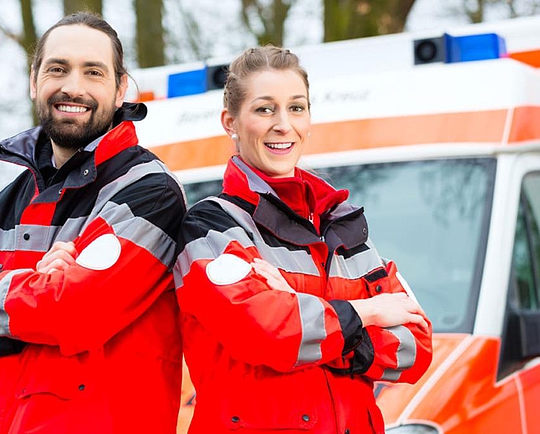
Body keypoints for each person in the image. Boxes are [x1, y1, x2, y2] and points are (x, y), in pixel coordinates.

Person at [0, 12, 186, 433]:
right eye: (57, 69)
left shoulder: (149, 192)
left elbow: (77, 311)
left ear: (119, 90)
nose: (72, 86)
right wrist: (32, 299)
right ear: (33, 81)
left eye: (92, 72)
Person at [173, 46, 433, 434]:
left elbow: (417, 349)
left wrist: (305, 311)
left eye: (296, 108)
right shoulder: (211, 227)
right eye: (265, 109)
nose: (283, 124)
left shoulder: (344, 225)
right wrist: (367, 313)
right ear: (230, 121)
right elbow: (270, 336)